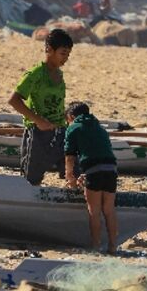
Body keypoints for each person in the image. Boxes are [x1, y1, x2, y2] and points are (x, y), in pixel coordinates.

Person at [8, 28, 72, 185]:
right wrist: (38, 121)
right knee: (31, 179)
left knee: (71, 172)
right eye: (63, 54)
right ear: (49, 50)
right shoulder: (35, 74)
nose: (66, 58)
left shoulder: (59, 74)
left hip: (60, 131)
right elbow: (14, 100)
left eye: (68, 54)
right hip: (39, 133)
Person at [62, 102, 118, 254]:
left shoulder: (73, 128)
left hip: (94, 171)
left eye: (67, 120)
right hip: (111, 170)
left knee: (94, 211)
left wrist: (70, 177)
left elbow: (70, 157)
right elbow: (101, 154)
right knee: (109, 210)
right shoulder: (100, 128)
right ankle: (113, 246)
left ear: (71, 117)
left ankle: (96, 246)